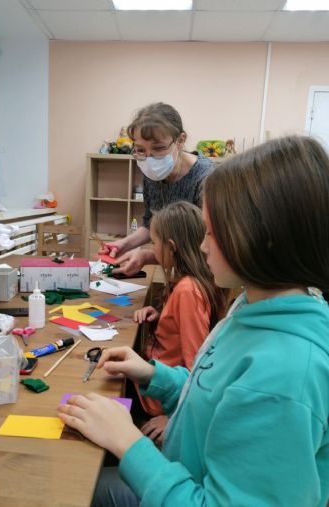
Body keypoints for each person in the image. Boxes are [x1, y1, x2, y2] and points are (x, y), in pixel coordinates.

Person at [58, 135, 329, 507]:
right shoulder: (254, 307)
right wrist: (154, 375)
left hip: (182, 487)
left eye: (212, 233)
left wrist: (128, 443)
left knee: (70, 487)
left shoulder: (284, 377)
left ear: (263, 238)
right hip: (181, 471)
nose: (202, 246)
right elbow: (212, 392)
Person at [133, 201, 225, 443]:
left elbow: (197, 366)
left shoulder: (187, 291)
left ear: (171, 247)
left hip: (160, 401)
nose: (153, 249)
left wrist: (174, 418)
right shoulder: (188, 283)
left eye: (154, 243)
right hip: (157, 387)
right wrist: (161, 316)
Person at [99, 102, 213, 275]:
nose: (149, 159)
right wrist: (123, 244)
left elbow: (206, 246)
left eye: (158, 148)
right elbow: (150, 223)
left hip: (205, 276)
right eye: (140, 150)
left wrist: (148, 256)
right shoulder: (153, 174)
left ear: (180, 140)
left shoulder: (205, 179)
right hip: (179, 274)